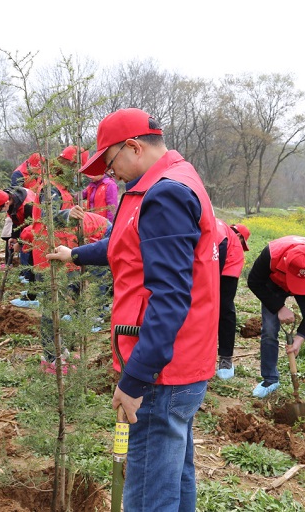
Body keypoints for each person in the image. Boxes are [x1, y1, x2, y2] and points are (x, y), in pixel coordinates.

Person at [47, 108, 217, 511]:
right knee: (173, 476)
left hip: (162, 368)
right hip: (179, 360)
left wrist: (137, 377)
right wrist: (75, 254)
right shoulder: (167, 181)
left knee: (147, 493)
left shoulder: (166, 195)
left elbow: (170, 297)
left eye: (110, 164)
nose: (112, 175)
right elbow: (126, 242)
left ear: (133, 147)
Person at [247, 235, 305, 403]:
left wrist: (300, 337)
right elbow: (254, 281)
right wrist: (278, 307)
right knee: (269, 330)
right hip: (276, 284)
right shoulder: (272, 255)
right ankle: (270, 379)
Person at [22, 207, 111, 373]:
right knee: (53, 312)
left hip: (66, 256)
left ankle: (61, 351)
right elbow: (48, 215)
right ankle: (52, 359)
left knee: (63, 306)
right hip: (55, 259)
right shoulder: (47, 194)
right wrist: (67, 215)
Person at [215, 221, 250, 380]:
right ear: (239, 236)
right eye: (243, 243)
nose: (240, 246)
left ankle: (225, 358)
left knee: (224, 308)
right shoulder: (219, 230)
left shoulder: (234, 249)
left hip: (228, 269)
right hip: (207, 260)